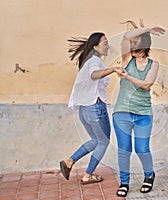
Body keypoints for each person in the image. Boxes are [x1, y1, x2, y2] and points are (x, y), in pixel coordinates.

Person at [60, 32, 122, 185]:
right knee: (103, 142)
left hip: (84, 110)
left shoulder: (88, 61)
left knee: (96, 140)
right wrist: (113, 69)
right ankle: (88, 175)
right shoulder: (94, 62)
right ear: (95, 47)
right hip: (95, 108)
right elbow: (94, 75)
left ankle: (69, 162)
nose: (108, 46)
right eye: (105, 43)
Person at [112, 20, 165, 197]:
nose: (132, 45)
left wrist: (127, 77)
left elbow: (146, 85)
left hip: (143, 114)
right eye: (133, 43)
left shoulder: (154, 64)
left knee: (142, 149)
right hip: (122, 113)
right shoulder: (127, 59)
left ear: (145, 45)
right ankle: (124, 182)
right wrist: (149, 28)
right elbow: (126, 36)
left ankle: (149, 175)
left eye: (137, 42)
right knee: (124, 149)